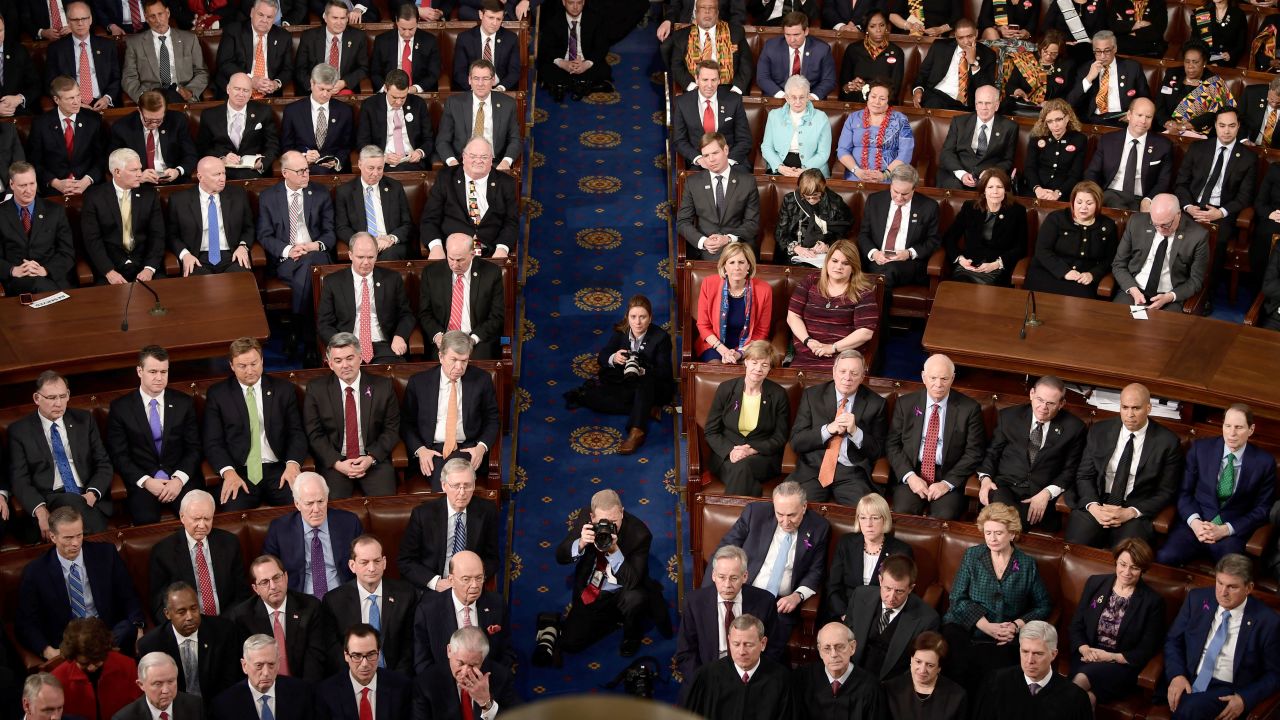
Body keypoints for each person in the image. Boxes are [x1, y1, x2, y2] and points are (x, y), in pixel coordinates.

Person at [941, 503, 1052, 693]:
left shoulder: (1026, 565)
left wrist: (1016, 625)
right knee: (957, 663)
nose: (992, 539)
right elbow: (957, 598)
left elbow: (1043, 606)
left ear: (1012, 534)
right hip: (965, 627)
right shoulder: (972, 556)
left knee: (994, 680)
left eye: (998, 533)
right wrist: (984, 625)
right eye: (988, 533)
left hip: (1005, 635)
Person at [711, 482, 831, 643]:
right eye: (780, 514)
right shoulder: (755, 513)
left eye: (792, 515)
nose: (786, 522)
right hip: (744, 593)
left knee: (770, 653)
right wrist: (712, 594)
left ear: (804, 507)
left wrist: (797, 596)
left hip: (781, 604)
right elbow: (724, 552)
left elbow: (816, 571)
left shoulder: (819, 527)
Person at [556, 489, 672, 657]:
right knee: (569, 643)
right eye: (603, 521)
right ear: (592, 517)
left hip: (623, 589)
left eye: (614, 521)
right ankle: (613, 620)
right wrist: (580, 543)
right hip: (593, 590)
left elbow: (633, 581)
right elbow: (560, 557)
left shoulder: (640, 534)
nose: (610, 528)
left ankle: (632, 634)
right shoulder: (585, 521)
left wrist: (613, 550)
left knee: (635, 598)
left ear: (622, 513)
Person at [1066, 383, 1183, 548]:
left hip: (1134, 507)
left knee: (1128, 555)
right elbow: (1084, 475)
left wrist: (1130, 512)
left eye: (1136, 408)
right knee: (1075, 546)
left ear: (1149, 408)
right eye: (1125, 407)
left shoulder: (1167, 442)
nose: (1129, 415)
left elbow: (1166, 491)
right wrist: (1093, 506)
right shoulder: (1099, 431)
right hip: (1098, 500)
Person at [1164, 554, 1280, 720]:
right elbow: (1173, 640)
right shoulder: (1197, 599)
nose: (1223, 592)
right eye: (1219, 583)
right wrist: (1177, 675)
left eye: (1232, 587)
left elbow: (1275, 674)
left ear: (1249, 588)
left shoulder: (1268, 621)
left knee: (1189, 709)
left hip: (1226, 689)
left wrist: (1244, 698)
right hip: (1189, 677)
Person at [17, 507, 144, 658]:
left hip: (107, 635)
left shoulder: (106, 554)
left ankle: (95, 657)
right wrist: (48, 651)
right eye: (68, 538)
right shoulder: (36, 571)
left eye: (79, 535)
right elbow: (25, 623)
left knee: (127, 629)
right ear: (52, 537)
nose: (76, 543)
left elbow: (129, 596)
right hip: (68, 643)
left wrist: (138, 628)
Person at [1159, 405, 1276, 566]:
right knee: (1165, 557)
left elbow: (1262, 510)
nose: (1232, 433)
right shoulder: (1200, 449)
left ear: (1251, 429)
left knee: (1233, 571)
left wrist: (1225, 529)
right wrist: (1196, 523)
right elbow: (1183, 492)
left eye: (1239, 427)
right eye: (1227, 426)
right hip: (1196, 525)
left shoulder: (1264, 463)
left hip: (1231, 534)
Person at [203, 338, 307, 511]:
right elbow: (213, 441)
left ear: (262, 361)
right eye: (242, 366)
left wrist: (292, 464)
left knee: (302, 505)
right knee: (232, 509)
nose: (250, 370)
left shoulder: (283, 390)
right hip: (239, 471)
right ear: (231, 366)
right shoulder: (218, 394)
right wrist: (228, 472)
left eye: (254, 363)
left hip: (279, 469)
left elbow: (296, 433)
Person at [105, 345, 202, 525]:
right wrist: (146, 481)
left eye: (164, 371)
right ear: (139, 371)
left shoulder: (183, 403)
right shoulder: (121, 408)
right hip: (143, 480)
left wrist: (179, 479)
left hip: (179, 477)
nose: (159, 377)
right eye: (153, 371)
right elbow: (119, 455)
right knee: (146, 522)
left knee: (196, 517)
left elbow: (194, 448)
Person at [9, 372, 114, 537]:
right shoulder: (20, 431)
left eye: (62, 396)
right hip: (51, 498)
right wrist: (40, 510)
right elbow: (19, 479)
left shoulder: (84, 420)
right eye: (51, 398)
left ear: (68, 395)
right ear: (37, 398)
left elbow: (104, 463)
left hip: (86, 495)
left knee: (74, 503)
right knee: (69, 501)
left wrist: (92, 494)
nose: (58, 403)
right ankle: (102, 542)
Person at [977, 375, 1086, 533]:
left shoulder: (1074, 428)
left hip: (1041, 492)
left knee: (1006, 525)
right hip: (1005, 486)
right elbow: (992, 453)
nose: (1043, 407)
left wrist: (1047, 493)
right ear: (1032, 394)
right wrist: (985, 479)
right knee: (1006, 520)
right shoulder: (1009, 416)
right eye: (1040, 400)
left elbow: (1071, 469)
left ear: (1062, 404)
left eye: (1050, 403)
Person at [567, 295, 673, 455]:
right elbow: (602, 357)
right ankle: (647, 409)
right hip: (627, 384)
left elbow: (665, 372)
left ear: (650, 318)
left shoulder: (661, 338)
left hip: (653, 385)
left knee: (645, 384)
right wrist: (614, 357)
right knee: (591, 398)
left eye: (642, 317)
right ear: (627, 317)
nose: (637, 322)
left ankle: (637, 431)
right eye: (633, 317)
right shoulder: (621, 332)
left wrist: (642, 370)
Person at [301, 334, 401, 498]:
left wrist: (371, 458)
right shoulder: (316, 389)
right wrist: (337, 463)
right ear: (330, 364)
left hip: (373, 461)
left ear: (360, 358)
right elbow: (314, 433)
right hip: (335, 463)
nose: (345, 365)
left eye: (350, 358)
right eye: (338, 361)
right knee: (334, 510)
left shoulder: (383, 386)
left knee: (386, 507)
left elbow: (391, 429)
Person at [1068, 538, 1165, 705]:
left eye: (1134, 567)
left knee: (1079, 682)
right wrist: (1084, 649)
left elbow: (1146, 649)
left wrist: (1110, 657)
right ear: (1116, 561)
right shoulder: (1095, 583)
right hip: (1087, 655)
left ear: (1143, 569)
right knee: (1087, 699)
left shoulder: (1153, 602)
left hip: (1120, 665)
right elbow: (1076, 624)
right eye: (1123, 564)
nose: (1127, 572)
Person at [888, 354, 986, 519]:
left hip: (948, 474)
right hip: (913, 470)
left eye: (944, 379)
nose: (938, 384)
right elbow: (892, 444)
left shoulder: (969, 409)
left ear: (953, 378)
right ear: (923, 377)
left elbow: (974, 452)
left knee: (944, 516)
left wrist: (947, 484)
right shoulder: (906, 404)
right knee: (904, 513)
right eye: (933, 378)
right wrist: (910, 477)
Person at [258, 150, 335, 356]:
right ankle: (310, 337)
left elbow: (330, 233)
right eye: (300, 171)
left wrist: (313, 245)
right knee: (310, 272)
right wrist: (289, 249)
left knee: (311, 261)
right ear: (285, 173)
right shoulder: (268, 197)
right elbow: (264, 236)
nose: (306, 175)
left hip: (315, 253)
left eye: (307, 170)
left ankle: (296, 328)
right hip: (287, 259)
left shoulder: (320, 193)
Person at [786, 350, 887, 506]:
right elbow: (796, 441)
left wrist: (855, 432)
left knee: (865, 514)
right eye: (843, 371)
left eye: (854, 373)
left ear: (862, 377)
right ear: (833, 372)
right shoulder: (812, 395)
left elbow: (878, 450)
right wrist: (828, 430)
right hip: (814, 469)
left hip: (852, 472)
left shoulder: (876, 404)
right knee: (793, 507)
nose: (847, 377)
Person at [1173, 109, 1256, 299]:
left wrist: (1221, 212)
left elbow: (1245, 197)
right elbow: (1181, 183)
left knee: (1215, 242)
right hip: (1192, 207)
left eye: (1232, 126)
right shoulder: (1197, 148)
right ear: (1215, 126)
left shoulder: (1248, 158)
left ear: (1238, 127)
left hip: (1221, 213)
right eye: (1222, 125)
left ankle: (1205, 295)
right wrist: (1187, 207)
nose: (1226, 131)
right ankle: (1173, 287)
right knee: (1174, 233)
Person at [402, 332, 501, 490]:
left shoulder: (481, 380)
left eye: (464, 361)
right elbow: (406, 423)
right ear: (441, 356)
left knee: (454, 479)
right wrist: (420, 450)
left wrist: (481, 448)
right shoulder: (419, 382)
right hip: (431, 450)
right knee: (447, 480)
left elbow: (492, 419)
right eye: (454, 360)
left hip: (467, 448)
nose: (459, 367)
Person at [675, 545, 782, 684]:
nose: (727, 585)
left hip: (751, 674)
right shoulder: (695, 602)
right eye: (721, 577)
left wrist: (752, 677)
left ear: (745, 576)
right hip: (709, 674)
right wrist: (703, 682)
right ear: (713, 575)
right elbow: (685, 652)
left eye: (734, 578)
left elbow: (774, 648)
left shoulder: (764, 601)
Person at [224, 556, 339, 682]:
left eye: (276, 578)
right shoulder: (242, 617)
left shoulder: (310, 607)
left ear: (286, 577)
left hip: (302, 685)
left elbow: (315, 658)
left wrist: (305, 693)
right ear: (255, 589)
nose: (273, 586)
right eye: (265, 582)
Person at [397, 459, 501, 591]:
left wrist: (474, 579)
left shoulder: (487, 511)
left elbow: (492, 558)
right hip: (433, 587)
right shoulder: (423, 514)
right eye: (456, 486)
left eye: (467, 485)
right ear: (444, 485)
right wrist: (435, 582)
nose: (462, 492)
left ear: (474, 485)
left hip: (471, 588)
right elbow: (405, 561)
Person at [146, 489, 250, 620]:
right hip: (187, 626)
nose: (202, 525)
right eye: (196, 519)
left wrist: (226, 623)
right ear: (182, 517)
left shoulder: (230, 543)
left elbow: (242, 593)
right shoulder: (163, 552)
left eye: (207, 519)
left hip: (228, 621)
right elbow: (159, 604)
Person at [323, 536, 418, 675]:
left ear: (384, 562)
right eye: (364, 562)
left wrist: (397, 679)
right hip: (352, 677)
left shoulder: (405, 595)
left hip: (396, 677)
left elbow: (410, 645)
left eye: (377, 561)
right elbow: (333, 649)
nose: (372, 568)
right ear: (352, 566)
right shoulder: (334, 601)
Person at [702, 342, 787, 496]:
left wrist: (751, 449)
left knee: (741, 468)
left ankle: (736, 517)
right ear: (746, 362)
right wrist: (730, 451)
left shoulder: (778, 394)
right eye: (754, 362)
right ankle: (749, 513)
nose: (758, 369)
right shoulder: (726, 389)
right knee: (740, 469)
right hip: (727, 456)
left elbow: (780, 437)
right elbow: (711, 431)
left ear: (770, 368)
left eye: (765, 365)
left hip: (761, 457)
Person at [316, 233, 414, 364]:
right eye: (360, 257)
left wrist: (400, 336)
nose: (366, 262)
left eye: (370, 257)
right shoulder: (333, 282)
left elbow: (406, 314)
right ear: (350, 255)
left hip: (384, 346)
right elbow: (324, 324)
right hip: (348, 347)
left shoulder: (392, 279)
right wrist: (341, 345)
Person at [261, 472, 364, 598]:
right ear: (297, 504)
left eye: (320, 501)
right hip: (301, 602)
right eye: (309, 503)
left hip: (343, 598)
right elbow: (267, 569)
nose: (316, 509)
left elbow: (364, 563)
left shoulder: (349, 523)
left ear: (327, 499)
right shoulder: (280, 529)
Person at [138, 582, 245, 702]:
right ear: (167, 614)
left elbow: (231, 680)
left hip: (218, 704)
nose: (190, 616)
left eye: (194, 608)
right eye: (182, 612)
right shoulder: (150, 644)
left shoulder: (224, 632)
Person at [412, 550, 513, 673]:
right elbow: (422, 661)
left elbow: (506, 652)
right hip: (443, 686)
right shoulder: (428, 610)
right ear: (451, 580)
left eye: (479, 578)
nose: (475, 585)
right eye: (466, 579)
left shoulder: (496, 604)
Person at [420, 138, 520, 259]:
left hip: (489, 251)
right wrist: (436, 247)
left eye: (484, 157)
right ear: (464, 157)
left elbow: (511, 221)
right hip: (452, 252)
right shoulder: (445, 178)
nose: (478, 161)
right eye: (473, 156)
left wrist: (502, 248)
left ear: (491, 159)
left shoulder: (506, 183)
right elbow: (429, 219)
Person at [786, 240, 878, 370]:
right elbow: (793, 316)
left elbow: (865, 333)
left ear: (854, 267)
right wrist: (809, 341)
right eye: (834, 261)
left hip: (843, 358)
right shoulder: (811, 281)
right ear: (827, 261)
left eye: (845, 263)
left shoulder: (863, 292)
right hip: (806, 353)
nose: (839, 267)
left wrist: (832, 348)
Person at [846, 555, 941, 680]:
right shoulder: (860, 595)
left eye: (899, 591)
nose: (891, 597)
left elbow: (918, 666)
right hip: (853, 675)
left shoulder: (927, 619)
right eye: (887, 588)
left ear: (911, 588)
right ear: (880, 580)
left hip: (891, 685)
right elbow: (846, 637)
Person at [1110, 193, 1210, 312]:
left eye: (1166, 225)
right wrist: (1133, 289)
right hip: (1134, 290)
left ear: (1178, 214)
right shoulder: (1136, 222)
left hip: (1170, 296)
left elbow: (1195, 281)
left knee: (1160, 329)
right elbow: (1119, 264)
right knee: (1117, 324)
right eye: (1155, 224)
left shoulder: (1198, 236)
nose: (1160, 229)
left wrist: (1170, 297)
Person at [972, 621, 1092, 719]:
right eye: (1025, 652)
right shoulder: (995, 683)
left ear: (1053, 654)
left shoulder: (1075, 699)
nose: (1029, 660)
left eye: (1038, 653)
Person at [824, 493, 913, 624]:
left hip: (880, 617)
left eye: (875, 518)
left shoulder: (901, 551)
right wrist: (844, 614)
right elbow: (833, 585)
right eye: (863, 518)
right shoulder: (846, 543)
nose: (868, 524)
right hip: (845, 613)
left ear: (885, 519)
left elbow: (901, 593)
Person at [684, 615, 795, 719]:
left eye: (748, 644)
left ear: (763, 643)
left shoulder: (781, 680)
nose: (741, 652)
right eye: (736, 644)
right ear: (729, 640)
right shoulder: (706, 677)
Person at [80, 148, 165, 284]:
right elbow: (92, 240)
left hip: (143, 264)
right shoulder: (94, 197)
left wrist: (149, 268)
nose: (139, 174)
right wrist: (109, 271)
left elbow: (157, 235)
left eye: (140, 169)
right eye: (134, 170)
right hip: (110, 267)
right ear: (117, 172)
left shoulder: (150, 195)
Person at [1024, 180, 1119, 298]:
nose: (1083, 207)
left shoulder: (1107, 225)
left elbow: (1110, 259)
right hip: (1048, 272)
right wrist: (1064, 272)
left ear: (1098, 204)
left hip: (1081, 278)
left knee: (1080, 301)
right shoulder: (1056, 218)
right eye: (1079, 202)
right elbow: (1042, 251)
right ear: (1072, 202)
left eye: (1089, 203)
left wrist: (1093, 274)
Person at [418, 234, 506, 361]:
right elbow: (424, 313)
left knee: (477, 374)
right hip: (443, 339)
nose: (454, 265)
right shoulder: (431, 273)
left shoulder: (491, 273)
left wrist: (473, 339)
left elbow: (497, 315)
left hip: (477, 339)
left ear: (472, 254)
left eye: (460, 260)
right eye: (451, 258)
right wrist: (438, 336)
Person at [676, 132, 761, 261]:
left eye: (715, 153)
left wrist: (728, 239)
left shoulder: (747, 182)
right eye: (706, 155)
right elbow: (683, 222)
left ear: (726, 150)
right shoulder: (692, 183)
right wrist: (703, 241)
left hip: (737, 247)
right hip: (706, 250)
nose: (711, 159)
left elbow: (752, 223)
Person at [857, 165, 941, 296]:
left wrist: (909, 253)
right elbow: (864, 234)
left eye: (905, 194)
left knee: (884, 274)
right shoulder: (875, 201)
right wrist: (874, 253)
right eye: (896, 192)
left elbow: (933, 241)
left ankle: (871, 315)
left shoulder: (928, 207)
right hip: (877, 259)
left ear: (914, 189)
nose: (899, 197)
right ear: (890, 185)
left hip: (908, 263)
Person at [410, 627, 522, 720]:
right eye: (460, 663)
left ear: (483, 659)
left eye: (473, 665)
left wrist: (486, 703)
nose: (465, 672)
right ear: (449, 651)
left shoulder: (500, 676)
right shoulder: (425, 684)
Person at [168, 157, 253, 276]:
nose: (222, 178)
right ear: (200, 177)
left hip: (232, 255)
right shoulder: (179, 200)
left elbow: (249, 227)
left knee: (242, 285)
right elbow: (172, 235)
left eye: (224, 173)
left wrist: (243, 246)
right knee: (200, 289)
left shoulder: (238, 194)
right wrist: (185, 255)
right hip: (196, 257)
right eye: (217, 174)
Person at [0, 161, 76, 293]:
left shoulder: (55, 211)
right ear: (12, 185)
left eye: (32, 184)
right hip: (17, 281)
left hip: (51, 277)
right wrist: (13, 270)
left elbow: (67, 253)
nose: (29, 190)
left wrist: (45, 270)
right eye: (23, 185)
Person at [942, 168, 1025, 286]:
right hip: (969, 266)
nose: (995, 191)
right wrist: (961, 259)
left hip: (997, 268)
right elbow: (949, 238)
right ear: (983, 190)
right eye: (990, 187)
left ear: (1006, 189)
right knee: (959, 289)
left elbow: (1021, 247)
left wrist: (997, 264)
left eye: (999, 187)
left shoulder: (1017, 211)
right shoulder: (970, 207)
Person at [29, 76, 106, 196]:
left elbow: (102, 158)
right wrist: (55, 183)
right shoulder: (41, 124)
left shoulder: (93, 120)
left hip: (88, 186)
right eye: (70, 98)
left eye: (78, 95)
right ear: (56, 99)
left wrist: (87, 180)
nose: (77, 102)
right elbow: (35, 162)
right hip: (54, 189)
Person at [52, 618, 143, 720]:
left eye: (97, 662)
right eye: (84, 663)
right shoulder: (57, 680)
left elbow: (138, 708)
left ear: (105, 652)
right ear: (73, 656)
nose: (91, 668)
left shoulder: (127, 665)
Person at [436, 60, 520, 170]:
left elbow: (515, 140)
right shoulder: (454, 103)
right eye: (476, 78)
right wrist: (453, 163)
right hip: (461, 163)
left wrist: (506, 162)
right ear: (469, 80)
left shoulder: (508, 104)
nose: (480, 84)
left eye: (485, 78)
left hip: (494, 164)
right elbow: (442, 141)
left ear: (493, 80)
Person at [694, 245, 773, 363]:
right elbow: (703, 325)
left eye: (741, 262)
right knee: (717, 369)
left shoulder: (764, 290)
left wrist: (739, 353)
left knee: (751, 371)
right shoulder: (709, 284)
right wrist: (724, 351)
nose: (737, 267)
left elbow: (761, 331)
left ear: (749, 266)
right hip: (714, 345)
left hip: (748, 348)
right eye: (731, 262)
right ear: (724, 266)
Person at [209, 634, 316, 720]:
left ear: (278, 663)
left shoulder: (301, 693)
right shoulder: (224, 704)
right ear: (244, 666)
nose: (266, 673)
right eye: (259, 666)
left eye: (271, 664)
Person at [317, 624, 412, 720]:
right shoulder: (327, 693)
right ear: (346, 655)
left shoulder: (401, 687)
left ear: (379, 654)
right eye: (357, 656)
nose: (365, 664)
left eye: (371, 655)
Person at [120, 0, 208, 104]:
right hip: (151, 98)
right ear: (146, 18)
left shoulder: (189, 39)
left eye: (160, 14)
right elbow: (128, 78)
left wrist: (190, 91)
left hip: (182, 96)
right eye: (152, 16)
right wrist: (142, 98)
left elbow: (202, 72)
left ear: (168, 13)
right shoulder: (135, 43)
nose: (158, 20)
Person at [195, 73, 278, 180]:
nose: (241, 94)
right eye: (237, 89)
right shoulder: (209, 115)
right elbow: (202, 148)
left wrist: (262, 163)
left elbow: (273, 145)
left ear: (251, 93)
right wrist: (221, 158)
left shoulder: (264, 111)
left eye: (245, 90)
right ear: (228, 89)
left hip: (253, 172)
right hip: (221, 172)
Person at [662, 0, 753, 95]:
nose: (707, 12)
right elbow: (677, 67)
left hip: (728, 90)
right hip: (695, 90)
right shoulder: (681, 36)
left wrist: (736, 90)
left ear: (717, 13)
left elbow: (746, 65)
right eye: (702, 8)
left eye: (712, 8)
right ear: (696, 13)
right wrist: (692, 87)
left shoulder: (735, 33)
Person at [672, 60, 752, 168]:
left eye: (713, 80)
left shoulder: (734, 100)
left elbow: (744, 139)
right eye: (705, 80)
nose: (709, 85)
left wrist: (727, 162)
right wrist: (699, 159)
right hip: (700, 164)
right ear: (697, 79)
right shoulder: (682, 103)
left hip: (730, 162)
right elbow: (679, 140)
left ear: (719, 80)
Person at [335, 149, 413, 259]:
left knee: (390, 255)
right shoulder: (344, 192)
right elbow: (341, 227)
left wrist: (391, 238)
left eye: (380, 168)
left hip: (390, 245)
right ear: (360, 164)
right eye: (371, 168)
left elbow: (407, 224)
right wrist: (365, 241)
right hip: (361, 245)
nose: (375, 173)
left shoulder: (395, 187)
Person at [794, 622, 881, 719]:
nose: (833, 654)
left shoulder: (870, 686)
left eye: (839, 647)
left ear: (852, 647)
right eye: (827, 648)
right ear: (820, 651)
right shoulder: (803, 678)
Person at [43, 2, 121, 111]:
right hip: (72, 105)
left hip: (103, 102)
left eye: (84, 18)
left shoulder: (107, 46)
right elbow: (51, 83)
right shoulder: (56, 49)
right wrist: (74, 102)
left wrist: (107, 98)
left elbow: (116, 78)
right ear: (68, 22)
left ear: (91, 20)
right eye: (75, 20)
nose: (80, 23)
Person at [936, 86, 1017, 190]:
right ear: (975, 105)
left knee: (993, 190)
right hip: (958, 174)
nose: (983, 107)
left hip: (989, 178)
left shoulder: (1010, 127)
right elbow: (947, 152)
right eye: (980, 103)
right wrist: (962, 174)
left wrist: (990, 173)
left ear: (996, 106)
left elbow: (1007, 160)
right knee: (953, 186)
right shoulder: (959, 122)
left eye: (988, 103)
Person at [281, 64, 355, 175]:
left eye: (329, 90)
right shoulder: (292, 111)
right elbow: (287, 146)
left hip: (332, 171)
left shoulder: (345, 111)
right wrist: (304, 156)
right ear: (312, 83)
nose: (325, 94)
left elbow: (347, 145)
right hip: (301, 169)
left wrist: (336, 161)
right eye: (321, 89)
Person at [110, 92, 197, 184]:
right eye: (148, 120)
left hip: (175, 179)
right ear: (139, 110)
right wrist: (137, 176)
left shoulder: (178, 121)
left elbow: (190, 155)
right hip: (139, 183)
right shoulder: (122, 127)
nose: (154, 125)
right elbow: (113, 163)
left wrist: (178, 171)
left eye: (159, 120)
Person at [212, 0, 294, 98]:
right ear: (252, 13)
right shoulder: (234, 31)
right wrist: (249, 80)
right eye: (260, 14)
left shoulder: (284, 37)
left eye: (269, 17)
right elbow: (225, 63)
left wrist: (276, 84)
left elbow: (288, 69)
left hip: (268, 95)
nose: (264, 20)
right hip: (236, 91)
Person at [909, 20, 997, 111]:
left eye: (970, 36)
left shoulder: (988, 55)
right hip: (938, 95)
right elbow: (922, 74)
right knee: (934, 102)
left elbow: (987, 89)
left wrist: (973, 63)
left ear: (977, 33)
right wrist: (918, 90)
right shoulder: (939, 46)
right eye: (961, 38)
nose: (966, 41)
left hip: (966, 104)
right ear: (955, 36)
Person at [1067, 31, 1150, 126]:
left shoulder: (1132, 67)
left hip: (1123, 118)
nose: (1102, 56)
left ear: (1115, 49)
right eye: (1098, 51)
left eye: (1106, 51)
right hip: (1094, 120)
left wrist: (1133, 114)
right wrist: (1089, 78)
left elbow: (1145, 98)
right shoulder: (1085, 69)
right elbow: (1071, 102)